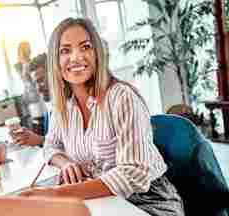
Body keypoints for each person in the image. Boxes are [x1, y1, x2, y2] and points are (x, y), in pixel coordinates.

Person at [20, 18, 184, 216]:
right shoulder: (61, 106)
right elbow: (50, 146)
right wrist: (66, 163)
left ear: (97, 53)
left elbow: (133, 173)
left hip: (149, 200)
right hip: (102, 199)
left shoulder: (122, 97)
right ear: (56, 61)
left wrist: (57, 194)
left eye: (85, 47)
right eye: (65, 50)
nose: (76, 57)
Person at [10, 53, 50, 147]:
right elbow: (54, 143)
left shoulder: (72, 107)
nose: (38, 89)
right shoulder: (51, 110)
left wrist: (40, 140)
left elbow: (71, 148)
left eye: (41, 81)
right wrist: (32, 139)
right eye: (36, 83)